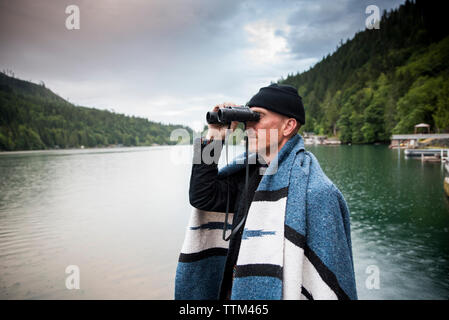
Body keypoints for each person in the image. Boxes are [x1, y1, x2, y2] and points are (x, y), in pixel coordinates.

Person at [175, 83, 357, 300]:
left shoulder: (318, 193)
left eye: (257, 117)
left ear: (288, 126)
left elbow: (328, 284)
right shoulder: (249, 175)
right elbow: (202, 196)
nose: (248, 126)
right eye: (247, 118)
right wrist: (215, 135)